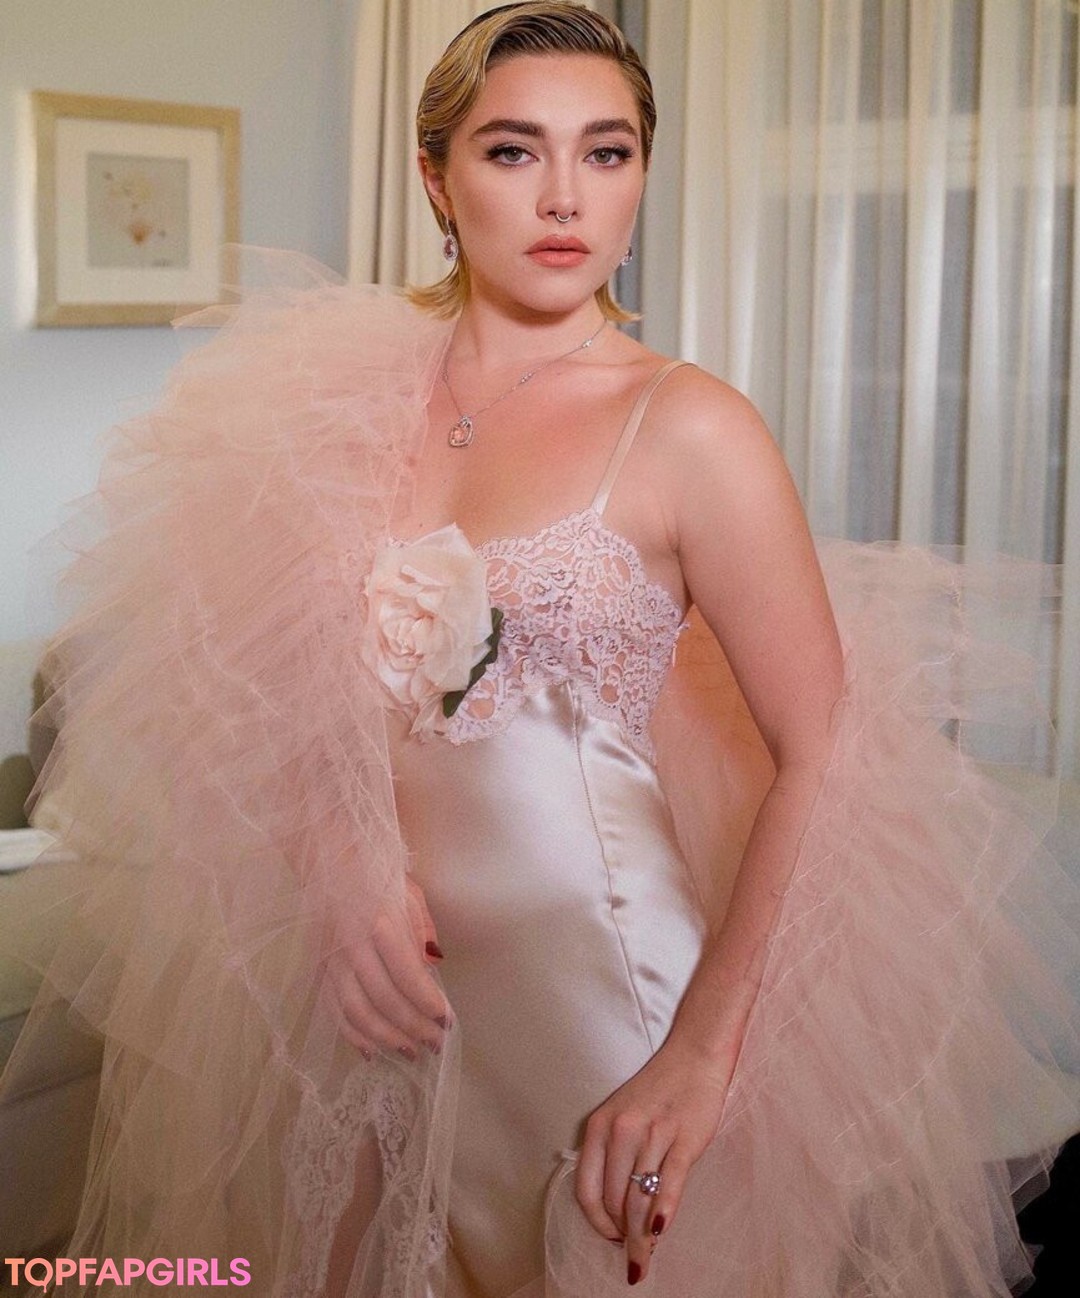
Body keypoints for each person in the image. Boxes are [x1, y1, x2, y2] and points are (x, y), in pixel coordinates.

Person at [3, 4, 1078, 1297]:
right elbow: (262, 677)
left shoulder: (692, 428)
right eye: (514, 151)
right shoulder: (340, 405)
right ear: (436, 178)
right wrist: (339, 853)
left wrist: (701, 1057)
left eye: (607, 152)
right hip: (383, 1018)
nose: (566, 195)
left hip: (611, 1020)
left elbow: (821, 748)